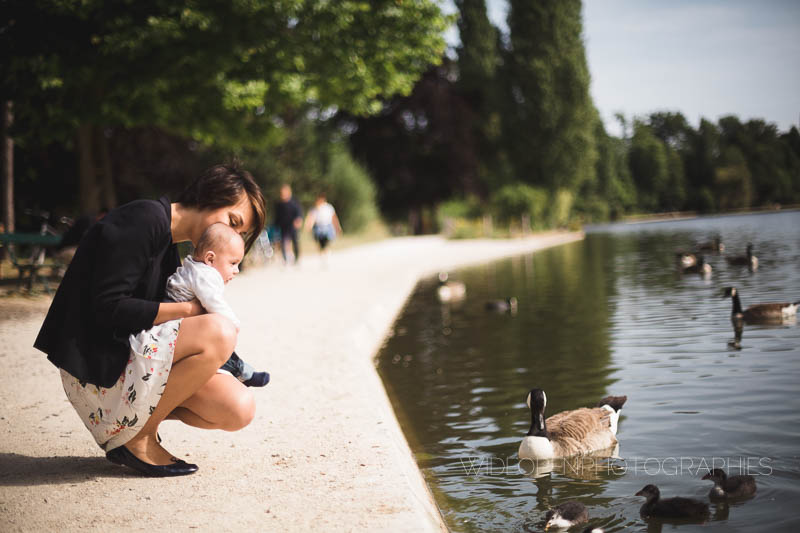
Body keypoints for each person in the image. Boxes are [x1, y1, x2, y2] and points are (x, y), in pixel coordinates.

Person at [34, 162, 266, 477]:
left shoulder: (171, 246)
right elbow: (108, 307)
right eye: (233, 222)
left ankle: (130, 428)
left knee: (239, 407)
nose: (232, 236)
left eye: (240, 233)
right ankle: (138, 437)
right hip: (97, 371)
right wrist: (190, 311)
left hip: (124, 368)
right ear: (210, 195)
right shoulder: (143, 219)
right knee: (220, 332)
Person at [160, 222, 269, 388]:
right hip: (173, 323)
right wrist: (232, 323)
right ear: (210, 259)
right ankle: (241, 371)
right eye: (233, 263)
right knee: (218, 339)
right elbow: (214, 302)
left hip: (174, 319)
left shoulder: (195, 268)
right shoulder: (206, 274)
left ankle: (239, 370)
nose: (237, 270)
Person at [304, 192, 342, 264]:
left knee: (327, 241)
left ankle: (326, 254)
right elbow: (311, 218)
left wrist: (337, 226)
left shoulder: (329, 207)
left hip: (327, 226)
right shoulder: (314, 209)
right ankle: (322, 256)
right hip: (318, 227)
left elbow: (334, 218)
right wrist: (309, 226)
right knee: (320, 243)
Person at [273, 184, 303, 265]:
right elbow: (277, 216)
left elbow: (299, 212)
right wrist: (275, 225)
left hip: (293, 226)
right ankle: (285, 259)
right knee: (283, 242)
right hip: (283, 226)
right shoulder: (279, 204)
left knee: (295, 242)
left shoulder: (294, 202)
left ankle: (297, 258)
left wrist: (298, 219)